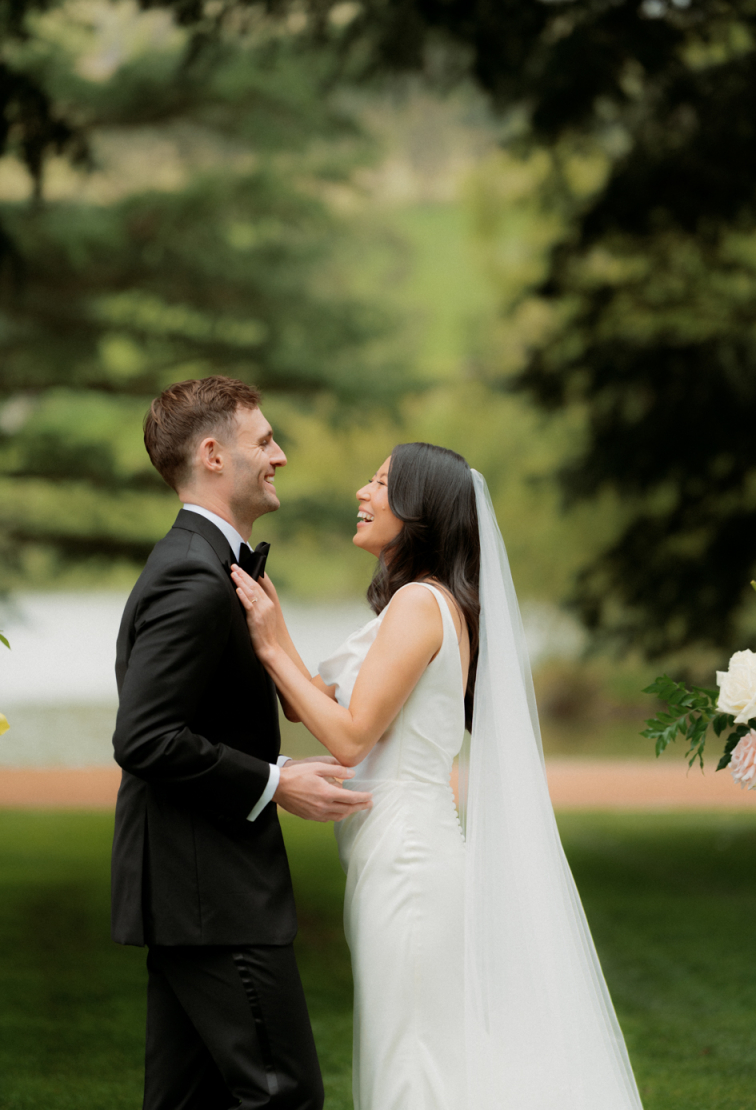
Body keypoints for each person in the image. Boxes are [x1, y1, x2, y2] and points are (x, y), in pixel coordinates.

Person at [231, 442, 645, 1110]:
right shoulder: (413, 605)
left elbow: (349, 736)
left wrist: (268, 646)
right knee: (413, 1047)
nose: (362, 493)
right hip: (392, 851)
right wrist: (274, 627)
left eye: (380, 484)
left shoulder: (421, 604)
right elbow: (310, 702)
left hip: (410, 861)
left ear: (419, 509)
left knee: (413, 1060)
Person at [111, 375, 371, 1110]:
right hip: (212, 896)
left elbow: (190, 725)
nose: (280, 456)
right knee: (282, 1094)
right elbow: (145, 737)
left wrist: (276, 765)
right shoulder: (193, 578)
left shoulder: (204, 564)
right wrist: (274, 783)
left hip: (194, 893)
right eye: (265, 441)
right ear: (213, 455)